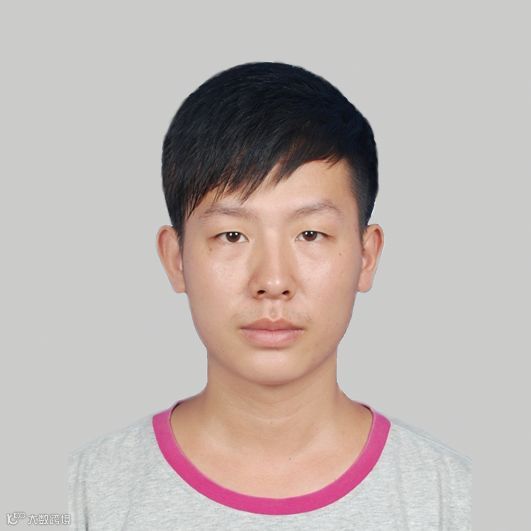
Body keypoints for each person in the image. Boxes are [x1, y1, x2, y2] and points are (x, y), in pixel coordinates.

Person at [67, 61, 471, 530]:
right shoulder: (80, 496)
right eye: (232, 235)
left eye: (311, 234)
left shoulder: (454, 499)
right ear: (176, 259)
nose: (273, 281)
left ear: (366, 256)